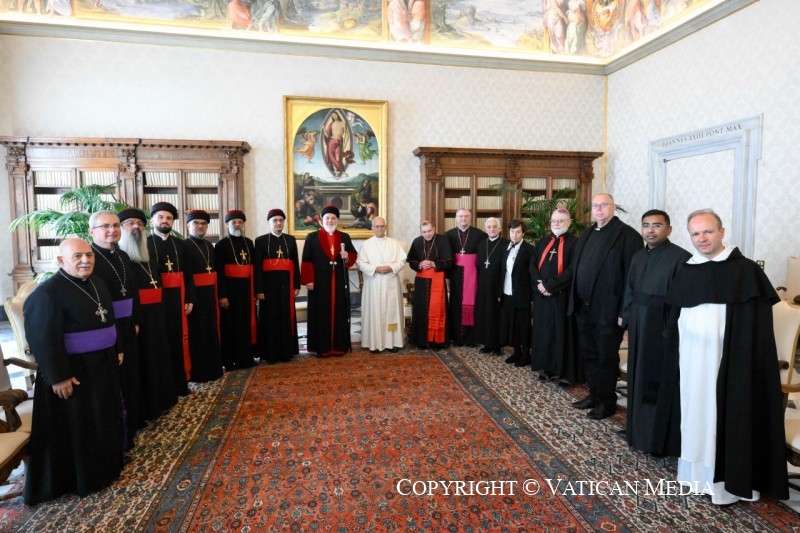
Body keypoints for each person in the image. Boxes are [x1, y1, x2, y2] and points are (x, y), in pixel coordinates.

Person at [664, 209, 788, 505]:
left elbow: (756, 330)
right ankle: (695, 476)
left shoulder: (745, 271)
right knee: (694, 415)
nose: (702, 238)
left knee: (723, 417)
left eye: (708, 231)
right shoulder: (687, 269)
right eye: (695, 233)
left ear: (721, 232)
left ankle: (728, 484)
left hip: (729, 363)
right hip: (692, 361)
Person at [22, 238, 124, 505]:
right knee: (82, 426)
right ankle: (85, 478)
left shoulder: (96, 282)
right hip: (73, 372)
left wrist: (116, 347)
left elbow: (109, 319)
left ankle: (107, 466)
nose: (85, 260)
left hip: (103, 363)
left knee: (103, 416)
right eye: (77, 256)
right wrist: (58, 376)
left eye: (89, 255)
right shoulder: (47, 293)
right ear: (60, 260)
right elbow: (42, 339)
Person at [621, 209, 690, 456]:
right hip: (638, 324)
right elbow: (629, 291)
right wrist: (627, 322)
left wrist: (670, 331)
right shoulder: (638, 257)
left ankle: (656, 439)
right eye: (646, 225)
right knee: (637, 377)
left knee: (656, 383)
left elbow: (682, 301)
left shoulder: (681, 258)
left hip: (662, 328)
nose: (650, 230)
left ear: (669, 229)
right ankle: (636, 431)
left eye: (657, 225)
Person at [568, 193, 642, 420]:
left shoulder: (627, 236)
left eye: (603, 205)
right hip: (583, 307)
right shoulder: (587, 233)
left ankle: (607, 401)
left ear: (613, 207)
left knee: (606, 357)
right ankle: (594, 394)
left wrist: (624, 313)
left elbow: (632, 279)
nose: (598, 209)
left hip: (609, 311)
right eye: (595, 205)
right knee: (589, 354)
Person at [88, 210, 144, 449]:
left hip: (128, 322)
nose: (112, 230)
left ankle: (133, 421)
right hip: (107, 326)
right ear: (92, 231)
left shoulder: (122, 255)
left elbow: (133, 291)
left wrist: (136, 318)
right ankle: (118, 428)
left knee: (131, 372)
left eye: (115, 225)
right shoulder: (90, 259)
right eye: (105, 226)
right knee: (115, 377)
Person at [118, 208, 178, 420]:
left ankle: (162, 400)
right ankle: (148, 406)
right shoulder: (120, 257)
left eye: (140, 224)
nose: (136, 227)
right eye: (130, 223)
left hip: (156, 314)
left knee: (159, 356)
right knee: (144, 361)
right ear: (121, 227)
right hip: (138, 317)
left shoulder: (147, 253)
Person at [147, 201, 195, 396]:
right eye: (160, 217)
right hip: (155, 302)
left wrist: (190, 298)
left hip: (178, 300)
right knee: (160, 343)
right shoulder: (145, 244)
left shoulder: (181, 244)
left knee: (177, 341)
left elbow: (188, 273)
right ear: (152, 220)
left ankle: (180, 383)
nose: (164, 221)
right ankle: (163, 388)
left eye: (168, 218)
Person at [530, 208, 581, 385]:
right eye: (553, 221)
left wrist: (550, 286)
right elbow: (532, 266)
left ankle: (564, 372)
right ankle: (547, 368)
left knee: (562, 333)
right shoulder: (543, 242)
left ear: (569, 223)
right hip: (542, 297)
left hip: (562, 297)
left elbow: (572, 270)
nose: (556, 224)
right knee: (545, 333)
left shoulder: (575, 243)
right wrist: (540, 284)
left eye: (560, 221)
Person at [301, 205, 358, 357]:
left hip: (339, 281)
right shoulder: (312, 237)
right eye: (327, 218)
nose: (330, 221)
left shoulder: (344, 237)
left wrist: (348, 257)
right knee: (320, 313)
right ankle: (322, 347)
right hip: (319, 282)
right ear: (322, 219)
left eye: (333, 218)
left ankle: (339, 346)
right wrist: (309, 280)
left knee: (340, 312)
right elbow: (306, 260)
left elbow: (353, 254)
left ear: (337, 220)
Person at [254, 208, 301, 363]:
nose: (278, 223)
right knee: (270, 318)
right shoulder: (260, 241)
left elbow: (295, 263)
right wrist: (259, 289)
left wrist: (296, 285)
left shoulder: (290, 240)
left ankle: (287, 351)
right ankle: (270, 353)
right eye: (275, 220)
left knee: (285, 317)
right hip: (268, 287)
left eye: (281, 220)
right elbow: (257, 268)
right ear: (269, 222)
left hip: (286, 285)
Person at [357, 216, 407, 353]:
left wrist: (391, 268)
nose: (380, 228)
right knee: (374, 312)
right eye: (377, 226)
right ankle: (374, 343)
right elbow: (360, 263)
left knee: (392, 312)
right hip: (373, 283)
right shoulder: (366, 244)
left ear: (385, 227)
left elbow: (402, 260)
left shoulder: (394, 243)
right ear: (372, 228)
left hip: (391, 282)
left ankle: (393, 342)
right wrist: (375, 269)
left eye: (382, 226)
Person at [183, 209, 223, 382]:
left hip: (210, 295)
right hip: (195, 297)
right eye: (196, 223)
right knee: (197, 333)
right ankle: (199, 372)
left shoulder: (209, 245)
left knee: (211, 330)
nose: (200, 226)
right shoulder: (184, 246)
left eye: (203, 223)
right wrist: (190, 298)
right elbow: (186, 276)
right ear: (188, 226)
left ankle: (213, 368)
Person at [215, 210, 257, 369]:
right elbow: (219, 272)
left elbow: (253, 268)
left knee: (245, 324)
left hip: (246, 291)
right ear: (227, 224)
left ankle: (246, 358)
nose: (237, 225)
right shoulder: (221, 245)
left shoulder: (249, 243)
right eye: (234, 222)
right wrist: (222, 295)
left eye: (240, 222)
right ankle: (229, 360)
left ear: (243, 224)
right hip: (230, 291)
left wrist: (254, 291)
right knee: (230, 326)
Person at [407, 220, 453, 349]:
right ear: (421, 232)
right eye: (424, 232)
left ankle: (437, 341)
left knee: (438, 310)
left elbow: (450, 263)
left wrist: (434, 264)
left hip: (437, 279)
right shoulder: (417, 241)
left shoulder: (443, 241)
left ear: (434, 229)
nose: (427, 234)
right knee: (421, 310)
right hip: (421, 281)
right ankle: (422, 341)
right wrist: (419, 264)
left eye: (429, 231)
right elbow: (411, 261)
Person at [446, 208, 487, 346]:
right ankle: (456, 337)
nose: (463, 218)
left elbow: (483, 257)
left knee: (473, 304)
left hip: (473, 274)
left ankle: (471, 338)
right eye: (460, 216)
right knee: (456, 304)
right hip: (455, 274)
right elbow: (447, 257)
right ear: (456, 218)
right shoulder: (449, 234)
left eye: (466, 216)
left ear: (470, 217)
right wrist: (447, 277)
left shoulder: (480, 234)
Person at [499, 220, 534, 367]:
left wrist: (531, 296)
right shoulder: (505, 248)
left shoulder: (530, 250)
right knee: (512, 324)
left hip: (522, 294)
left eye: (518, 232)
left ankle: (526, 355)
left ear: (523, 233)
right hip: (507, 292)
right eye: (512, 231)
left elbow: (532, 274)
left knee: (523, 325)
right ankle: (516, 351)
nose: (515, 235)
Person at [474, 217, 507, 355]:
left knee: (496, 315)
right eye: (489, 227)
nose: (492, 229)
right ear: (485, 229)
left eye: (494, 226)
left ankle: (497, 345)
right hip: (483, 285)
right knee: (485, 314)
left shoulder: (506, 244)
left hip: (498, 285)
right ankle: (487, 344)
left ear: (500, 229)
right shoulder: (481, 244)